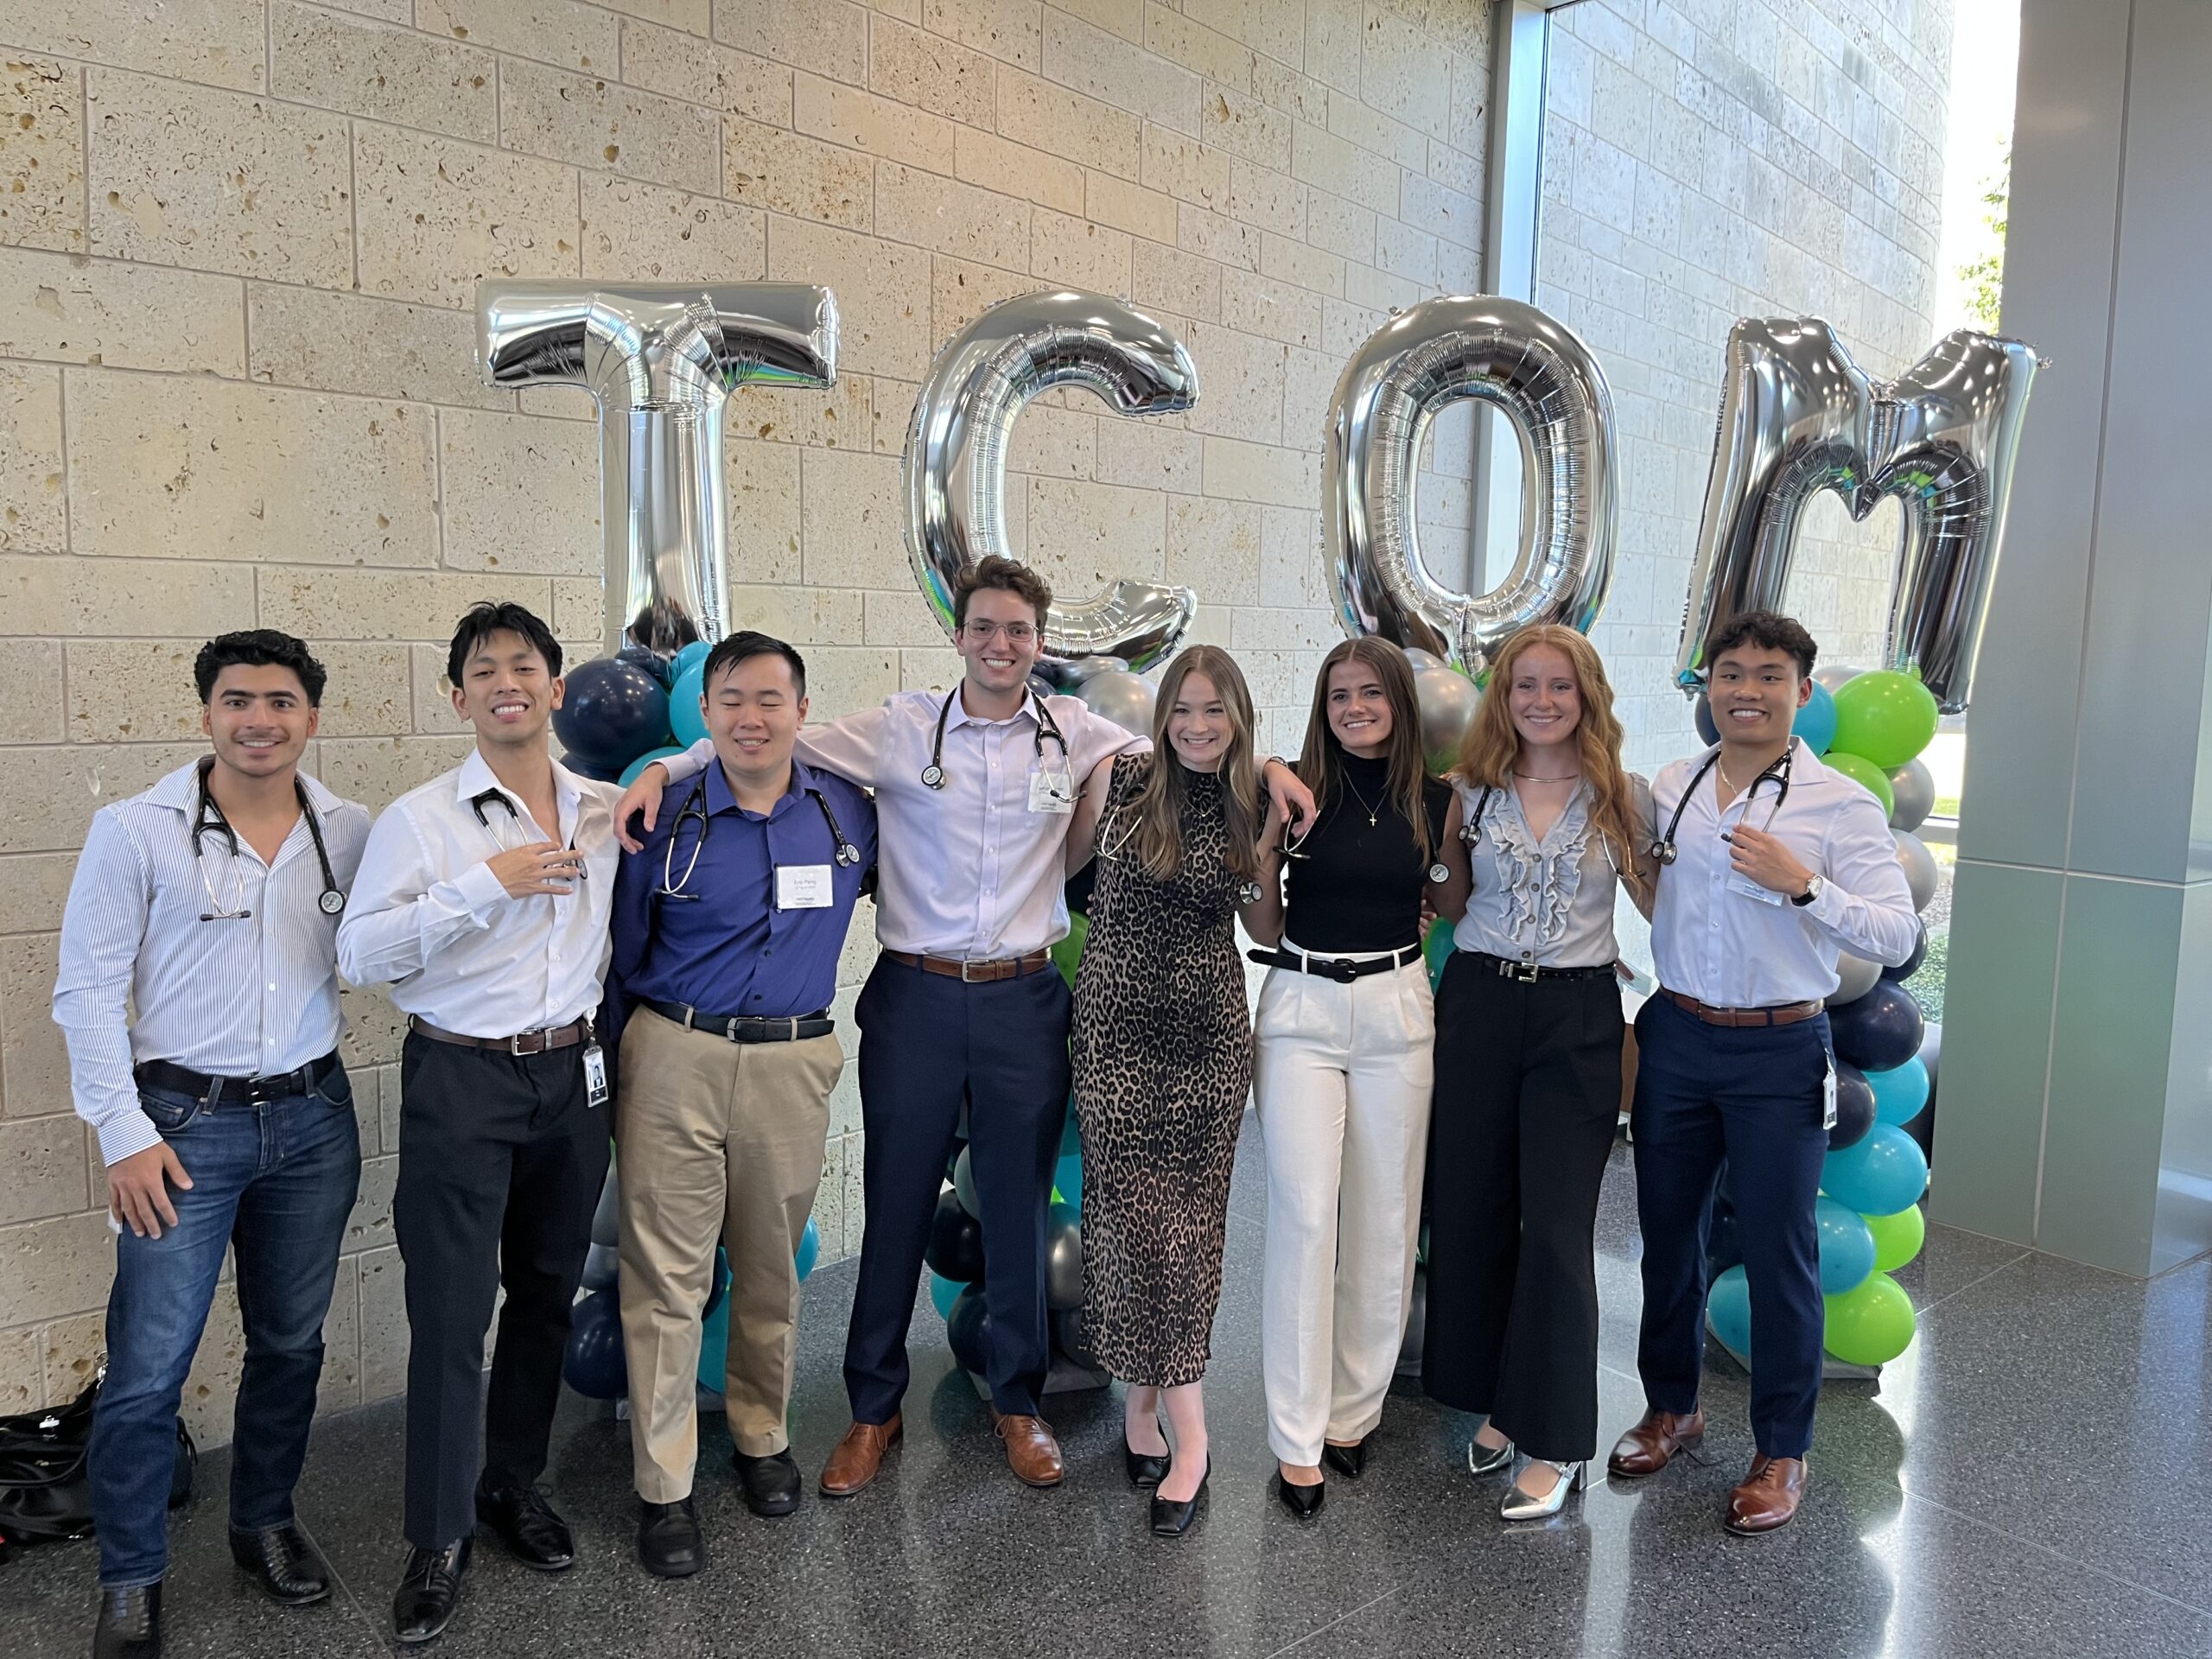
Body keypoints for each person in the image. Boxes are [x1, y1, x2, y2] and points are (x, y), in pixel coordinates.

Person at [616, 556, 1314, 1496]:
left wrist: (1270, 763)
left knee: (1019, 1206)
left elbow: (1186, 742)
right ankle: (873, 1408)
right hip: (917, 997)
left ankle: (1018, 1403)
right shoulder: (901, 728)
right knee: (896, 1201)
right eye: (983, 627)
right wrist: (671, 764)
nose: (1000, 644)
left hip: (1025, 999)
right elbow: (772, 740)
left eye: (1018, 631)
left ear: (1039, 643)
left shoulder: (1075, 732)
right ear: (958, 636)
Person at [54, 632, 370, 1659]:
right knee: (149, 1369)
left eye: (280, 702)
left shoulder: (348, 829)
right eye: (237, 700)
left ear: (310, 718)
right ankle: (130, 1580)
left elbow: (385, 946)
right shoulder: (135, 829)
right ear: (206, 714)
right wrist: (123, 1134)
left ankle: (263, 1523)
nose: (258, 720)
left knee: (290, 1345)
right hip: (179, 1130)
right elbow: (86, 993)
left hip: (313, 1124)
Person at [336, 602, 620, 1643]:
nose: (508, 683)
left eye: (525, 666)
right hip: (462, 1077)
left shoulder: (602, 810)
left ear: (556, 688)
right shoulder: (421, 821)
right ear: (459, 697)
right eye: (485, 670)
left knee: (546, 1295)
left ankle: (511, 1483)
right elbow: (358, 957)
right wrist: (480, 887)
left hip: (573, 1077)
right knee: (454, 1315)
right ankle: (438, 1534)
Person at [1609, 610, 1916, 1535]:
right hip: (1676, 1035)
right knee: (1668, 1239)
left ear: (1802, 691)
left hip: (1780, 1050)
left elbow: (1897, 931)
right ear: (1708, 688)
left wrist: (1804, 883)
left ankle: (1782, 1449)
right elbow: (1656, 891)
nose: (1747, 690)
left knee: (1782, 1250)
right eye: (1730, 674)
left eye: (1768, 675)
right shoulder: (1676, 784)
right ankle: (1672, 1407)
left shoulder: (1839, 806)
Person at [601, 632, 875, 1575]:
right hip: (672, 1054)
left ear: (802, 710)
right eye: (730, 700)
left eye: (769, 700)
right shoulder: (663, 815)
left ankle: (762, 1434)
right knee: (666, 1279)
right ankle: (664, 1483)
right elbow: (622, 950)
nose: (750, 718)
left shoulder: (846, 810)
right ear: (706, 712)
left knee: (769, 1267)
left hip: (791, 1063)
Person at [1419, 625, 1656, 1521]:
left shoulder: (1621, 796)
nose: (1542, 701)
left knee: (1557, 1228)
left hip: (1575, 1015)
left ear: (1587, 695)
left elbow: (1658, 904)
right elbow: (1449, 902)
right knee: (1472, 1211)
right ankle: (1496, 1400)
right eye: (1525, 686)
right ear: (1503, 697)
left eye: (1560, 686)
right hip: (1479, 1003)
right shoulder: (1469, 791)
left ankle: (1556, 1439)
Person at [1240, 636, 1467, 1519]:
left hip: (1395, 1007)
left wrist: (1448, 855)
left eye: (1370, 693)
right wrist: (1266, 842)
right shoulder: (1294, 787)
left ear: (1398, 703)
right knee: (1303, 1218)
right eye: (1339, 695)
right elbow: (1263, 926)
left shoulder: (1436, 799)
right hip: (1300, 1004)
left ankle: (1352, 1414)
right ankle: (1295, 1440)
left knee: (1383, 1218)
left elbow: (1451, 901)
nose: (1354, 709)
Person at [1062, 646, 1272, 1537]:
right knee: (1133, 1222)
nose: (1196, 725)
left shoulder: (1252, 800)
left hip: (1207, 1035)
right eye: (1183, 709)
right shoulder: (1119, 779)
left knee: (1188, 1230)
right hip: (1115, 1030)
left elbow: (1264, 924)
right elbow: (1058, 868)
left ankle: (1172, 1426)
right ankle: (1161, 1416)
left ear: (1238, 718)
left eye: (1214, 711)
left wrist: (1267, 843)